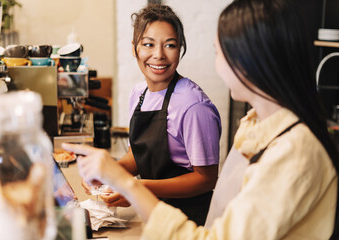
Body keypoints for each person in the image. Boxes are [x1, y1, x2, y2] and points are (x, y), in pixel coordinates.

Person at [64, 0, 339, 239]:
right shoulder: (255, 124)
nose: (217, 63)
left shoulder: (293, 152)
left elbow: (208, 189)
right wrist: (112, 172)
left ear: (253, 60)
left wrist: (129, 185)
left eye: (219, 52)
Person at [81, 4, 222, 226]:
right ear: (134, 48)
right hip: (154, 214)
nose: (158, 55)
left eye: (170, 45)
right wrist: (107, 174)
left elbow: (206, 179)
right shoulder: (139, 94)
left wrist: (137, 188)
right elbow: (138, 156)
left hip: (191, 222)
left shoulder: (193, 106)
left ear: (180, 48)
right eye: (148, 44)